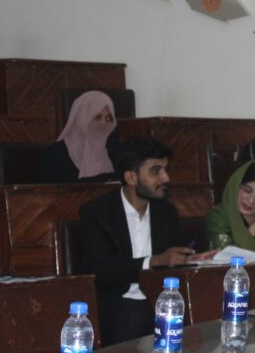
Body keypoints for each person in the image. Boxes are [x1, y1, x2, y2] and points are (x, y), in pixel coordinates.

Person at [79, 136, 214, 346]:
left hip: (159, 299)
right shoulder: (97, 213)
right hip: (116, 302)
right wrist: (152, 262)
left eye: (166, 169)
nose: (166, 178)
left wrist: (193, 259)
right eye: (156, 171)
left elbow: (169, 261)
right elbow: (101, 270)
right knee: (138, 316)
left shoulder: (166, 212)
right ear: (131, 177)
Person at [39, 90, 121, 183]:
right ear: (80, 118)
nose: (103, 123)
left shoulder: (115, 151)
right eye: (97, 117)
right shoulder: (56, 153)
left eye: (108, 118)